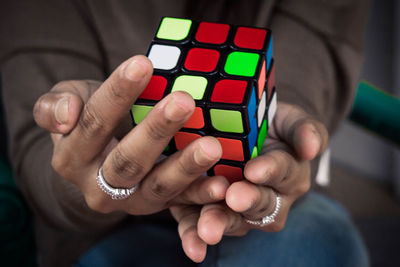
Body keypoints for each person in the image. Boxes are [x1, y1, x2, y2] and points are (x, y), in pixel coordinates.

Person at [0, 0, 370, 266]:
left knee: (316, 246)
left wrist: (284, 142)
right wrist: (85, 173)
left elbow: (305, 67)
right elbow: (40, 154)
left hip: (273, 206)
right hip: (103, 230)